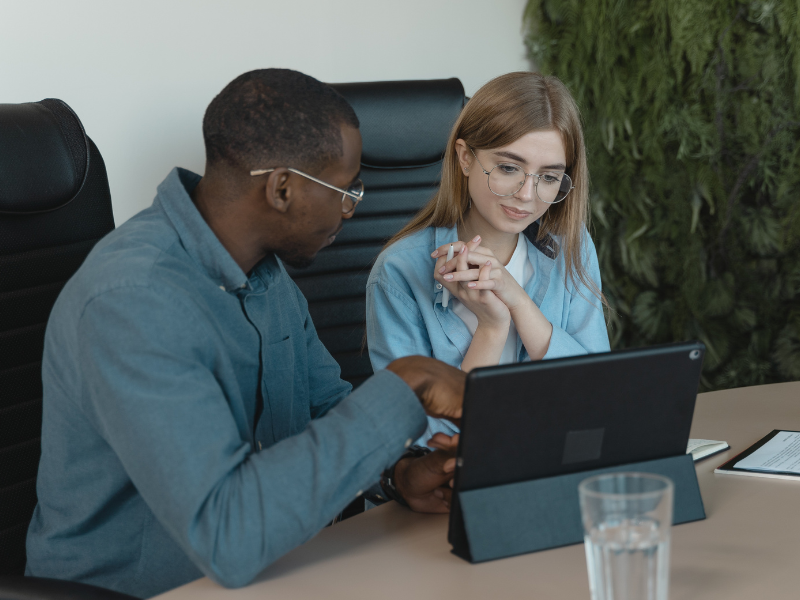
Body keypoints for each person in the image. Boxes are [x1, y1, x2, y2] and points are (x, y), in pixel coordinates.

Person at [25, 69, 465, 598]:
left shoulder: (265, 272)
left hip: (282, 571)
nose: (352, 208)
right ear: (282, 188)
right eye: (345, 190)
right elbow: (228, 535)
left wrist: (398, 472)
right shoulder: (132, 300)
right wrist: (406, 382)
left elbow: (326, 409)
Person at [366, 71, 610, 444]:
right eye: (509, 168)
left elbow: (598, 395)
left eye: (548, 177)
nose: (527, 195)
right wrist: (492, 329)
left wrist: (518, 302)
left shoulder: (571, 249)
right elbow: (423, 441)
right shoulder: (398, 272)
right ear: (465, 158)